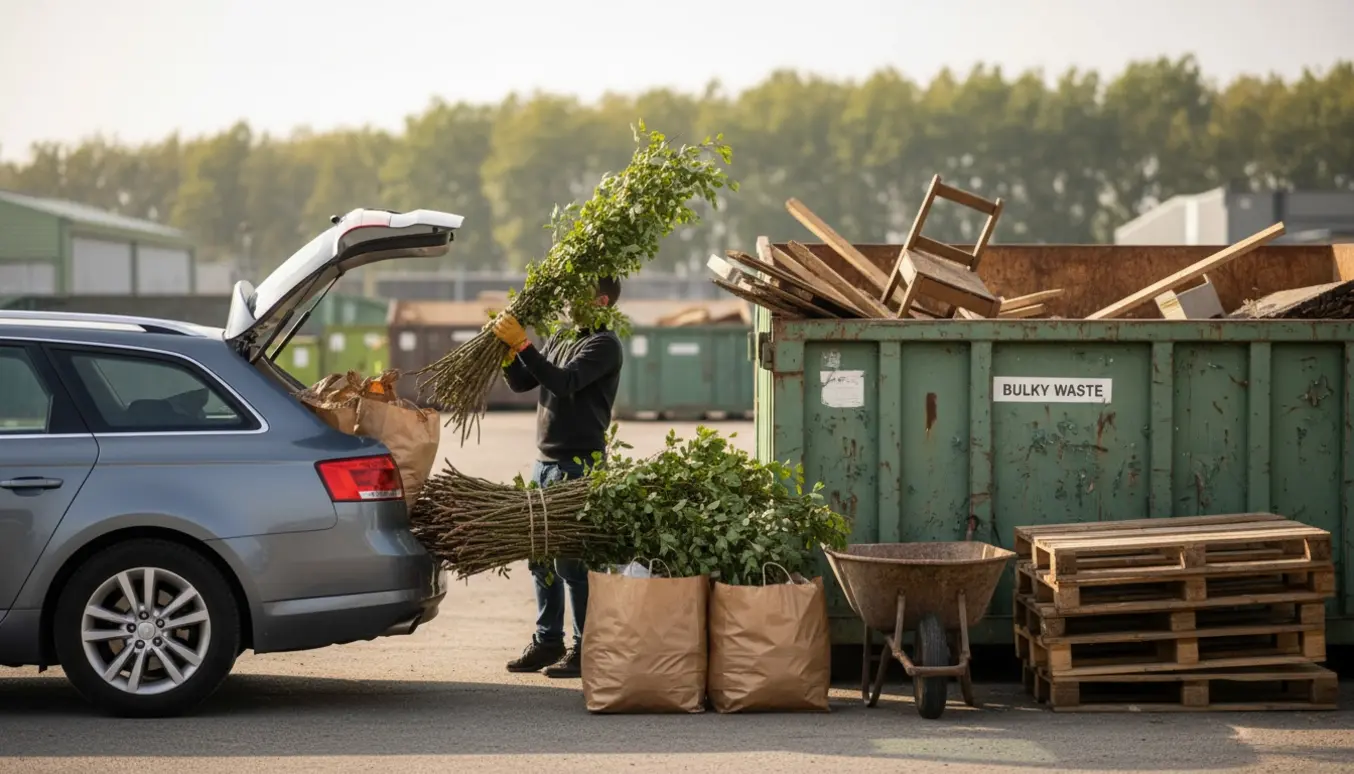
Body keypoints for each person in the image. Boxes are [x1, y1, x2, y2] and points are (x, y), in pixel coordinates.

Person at [491, 276, 624, 678]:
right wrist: (505, 351)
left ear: (601, 300)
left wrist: (523, 344)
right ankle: (548, 641)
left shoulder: (603, 345)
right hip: (545, 463)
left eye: (577, 294)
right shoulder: (565, 338)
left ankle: (586, 648)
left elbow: (563, 384)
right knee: (540, 557)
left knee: (572, 560)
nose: (567, 300)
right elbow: (523, 382)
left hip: (579, 465)